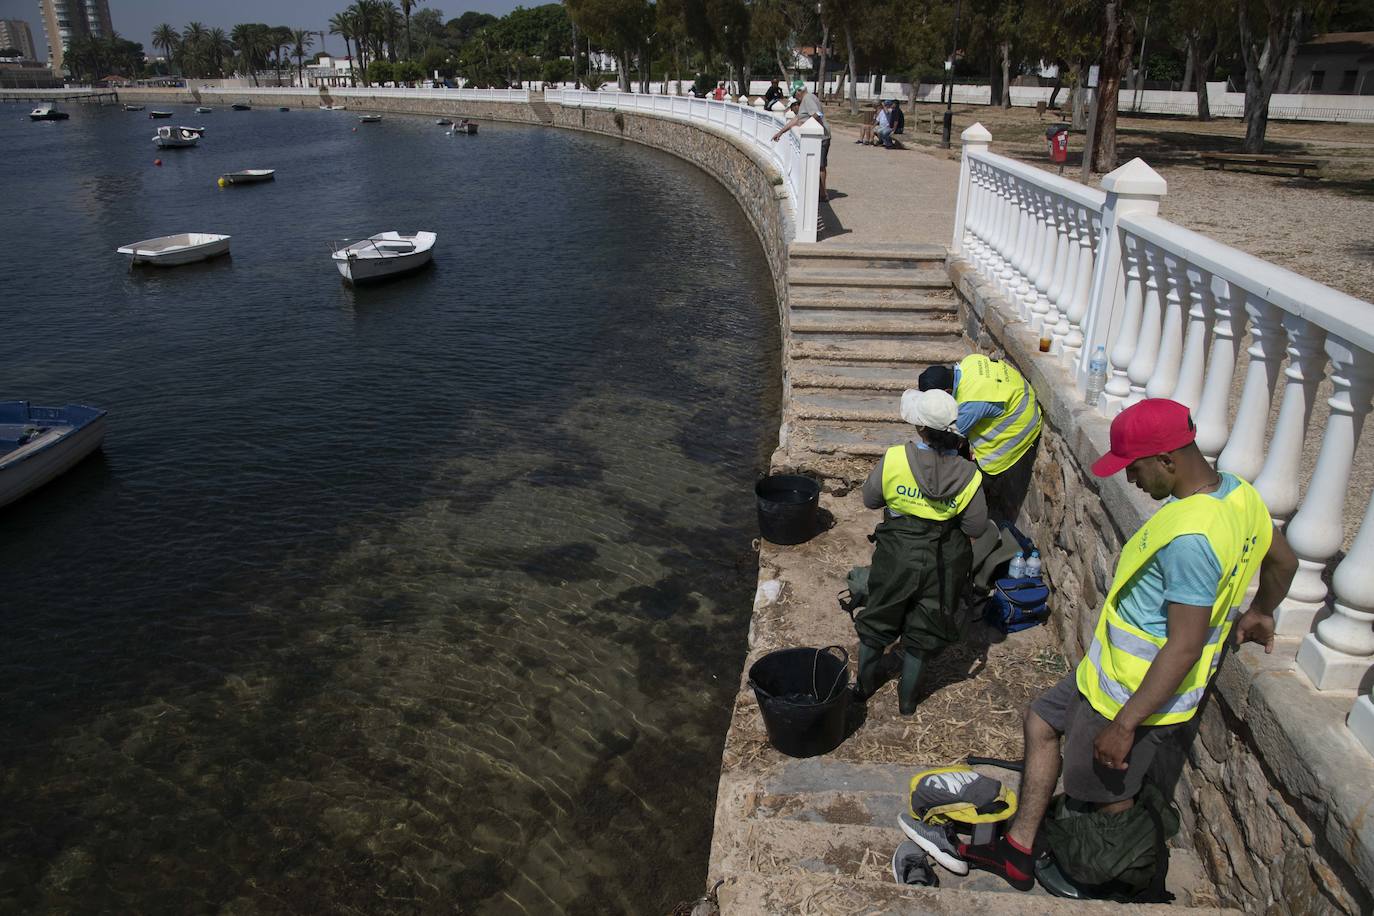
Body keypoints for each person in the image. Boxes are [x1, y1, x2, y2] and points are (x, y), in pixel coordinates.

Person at [958, 399, 1298, 891]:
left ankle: (1114, 877)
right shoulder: (1239, 496)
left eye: (1135, 468)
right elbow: (1283, 561)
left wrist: (1124, 726)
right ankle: (1020, 846)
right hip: (1106, 677)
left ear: (1167, 460)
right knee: (1042, 718)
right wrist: (1263, 611)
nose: (1131, 480)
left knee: (1106, 796)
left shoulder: (1191, 540)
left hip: (1129, 698)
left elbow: (1183, 645)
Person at [853, 389, 988, 715]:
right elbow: (975, 527)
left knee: (878, 619)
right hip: (943, 561)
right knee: (924, 630)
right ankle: (908, 702)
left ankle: (863, 688)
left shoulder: (896, 458)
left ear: (920, 429)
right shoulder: (969, 474)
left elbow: (870, 500)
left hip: (897, 554)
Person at [918, 354, 1041, 522]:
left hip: (1018, 425)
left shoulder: (970, 404)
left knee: (977, 479)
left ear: (946, 392)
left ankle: (974, 517)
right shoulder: (970, 362)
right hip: (1019, 398)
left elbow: (951, 441)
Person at [770, 86, 831, 201]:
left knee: (820, 166)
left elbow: (818, 114)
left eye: (795, 94)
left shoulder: (808, 98)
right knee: (817, 165)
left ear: (799, 91)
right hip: (817, 137)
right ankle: (819, 192)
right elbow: (797, 119)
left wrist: (805, 124)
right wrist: (781, 132)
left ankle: (823, 194)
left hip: (821, 137)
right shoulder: (805, 100)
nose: (795, 97)